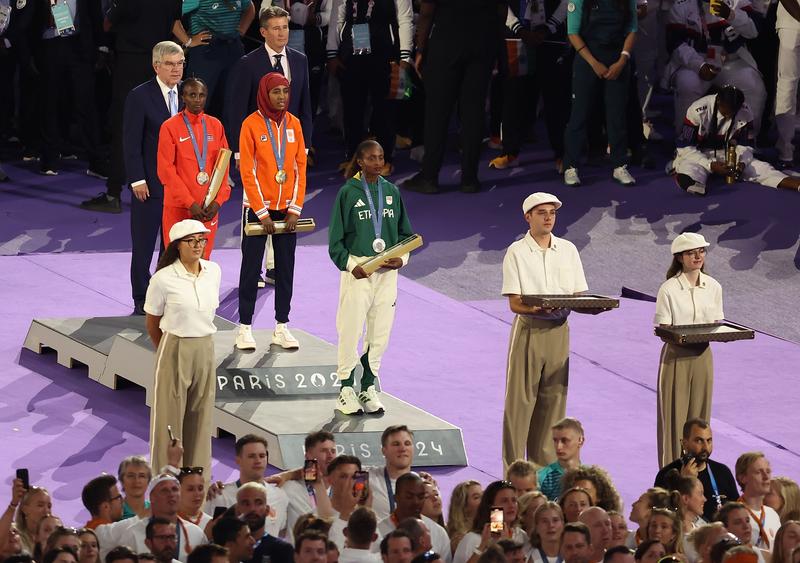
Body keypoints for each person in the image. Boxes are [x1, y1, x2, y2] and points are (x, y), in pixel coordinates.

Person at [502, 191, 604, 469]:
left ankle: (544, 472)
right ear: (528, 217)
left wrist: (593, 307)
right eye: (541, 213)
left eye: (552, 213)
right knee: (520, 405)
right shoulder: (517, 252)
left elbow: (577, 295)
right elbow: (514, 303)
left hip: (560, 331)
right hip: (530, 330)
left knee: (553, 402)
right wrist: (534, 310)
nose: (548, 218)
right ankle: (513, 472)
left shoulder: (568, 250)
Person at [328, 141, 414, 415]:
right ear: (360, 162)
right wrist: (352, 266)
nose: (378, 162)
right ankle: (345, 388)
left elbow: (406, 236)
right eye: (371, 158)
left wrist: (402, 259)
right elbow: (335, 242)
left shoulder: (391, 192)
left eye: (381, 157)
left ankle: (368, 386)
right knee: (350, 329)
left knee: (380, 333)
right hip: (359, 275)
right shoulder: (348, 193)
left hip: (387, 276)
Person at [79, 0, 183, 214]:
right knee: (162, 126)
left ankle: (113, 193)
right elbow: (174, 21)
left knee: (124, 126)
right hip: (158, 64)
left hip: (131, 65)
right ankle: (166, 191)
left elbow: (107, 23)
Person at [401, 0, 505, 194]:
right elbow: (501, 9)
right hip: (483, 44)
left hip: (447, 42)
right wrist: (497, 47)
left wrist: (421, 48)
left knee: (437, 112)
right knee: (474, 111)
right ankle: (470, 179)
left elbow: (427, 11)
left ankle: (429, 177)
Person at [236, 72, 307, 352]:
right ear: (265, 94)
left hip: (286, 211)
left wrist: (294, 209)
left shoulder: (295, 125)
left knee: (285, 270)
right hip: (257, 210)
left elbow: (300, 167)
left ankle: (281, 326)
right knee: (251, 269)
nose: (281, 97)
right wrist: (262, 212)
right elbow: (248, 171)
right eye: (275, 92)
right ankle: (244, 328)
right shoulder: (251, 125)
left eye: (285, 91)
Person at [144, 219, 222, 474]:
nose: (198, 245)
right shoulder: (163, 279)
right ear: (177, 246)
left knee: (201, 419)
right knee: (169, 420)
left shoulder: (214, 271)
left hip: (205, 348)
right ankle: (164, 481)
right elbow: (153, 323)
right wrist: (167, 352)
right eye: (192, 241)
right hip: (175, 346)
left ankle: (197, 484)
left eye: (202, 240)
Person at [125, 41, 186, 316]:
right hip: (149, 184)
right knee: (144, 244)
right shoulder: (140, 96)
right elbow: (131, 141)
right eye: (170, 64)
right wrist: (137, 178)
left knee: (172, 244)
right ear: (156, 66)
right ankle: (141, 298)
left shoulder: (189, 94)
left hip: (179, 187)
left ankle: (168, 295)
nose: (176, 69)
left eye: (180, 63)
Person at [654, 232, 723, 467]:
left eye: (701, 251)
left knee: (701, 418)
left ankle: (700, 473)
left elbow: (717, 325)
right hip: (676, 358)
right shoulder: (669, 289)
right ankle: (672, 474)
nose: (698, 256)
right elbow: (664, 328)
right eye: (692, 253)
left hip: (703, 356)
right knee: (674, 419)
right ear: (680, 257)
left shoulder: (713, 286)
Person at [325, 0, 412, 175]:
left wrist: (405, 55)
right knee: (352, 108)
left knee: (384, 108)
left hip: (385, 52)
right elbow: (337, 16)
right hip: (351, 53)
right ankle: (354, 157)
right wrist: (332, 52)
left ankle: (384, 158)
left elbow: (404, 18)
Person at [561, 0, 638, 187]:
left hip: (618, 60)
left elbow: (632, 29)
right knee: (579, 114)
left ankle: (620, 164)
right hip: (588, 60)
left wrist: (622, 60)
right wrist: (594, 63)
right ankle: (571, 166)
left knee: (617, 114)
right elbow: (573, 32)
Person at [671, 87, 800, 196]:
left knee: (761, 168)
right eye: (726, 111)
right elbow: (685, 147)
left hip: (729, 154)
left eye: (733, 112)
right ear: (718, 102)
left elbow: (746, 145)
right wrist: (710, 164)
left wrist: (742, 163)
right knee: (691, 167)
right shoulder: (697, 110)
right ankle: (690, 180)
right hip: (700, 152)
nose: (729, 116)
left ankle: (796, 185)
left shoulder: (745, 112)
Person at [663, 0, 765, 136]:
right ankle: (684, 143)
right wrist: (698, 65)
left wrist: (731, 15)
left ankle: (746, 141)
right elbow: (675, 44)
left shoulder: (736, 2)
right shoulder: (682, 4)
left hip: (730, 60)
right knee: (688, 84)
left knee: (753, 86)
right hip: (695, 61)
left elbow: (754, 31)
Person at [227, 6, 313, 162]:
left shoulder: (301, 60)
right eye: (276, 28)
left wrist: (305, 146)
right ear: (263, 32)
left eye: (285, 27)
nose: (282, 33)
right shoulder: (248, 63)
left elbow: (305, 106)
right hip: (258, 145)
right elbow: (237, 111)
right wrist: (239, 151)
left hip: (292, 143)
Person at [157, 77, 231, 257]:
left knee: (203, 262)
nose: (197, 99)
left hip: (207, 211)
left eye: (201, 95)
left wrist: (218, 202)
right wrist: (190, 203)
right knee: (176, 264)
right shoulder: (170, 127)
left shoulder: (215, 125)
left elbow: (223, 168)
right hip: (179, 208)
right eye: (192, 95)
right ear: (183, 97)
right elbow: (165, 171)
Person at [177, 0, 255, 115]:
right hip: (206, 50)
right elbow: (172, 15)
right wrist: (188, 41)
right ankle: (192, 132)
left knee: (233, 100)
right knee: (197, 101)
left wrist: (242, 29)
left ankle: (224, 133)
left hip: (233, 49)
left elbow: (249, 8)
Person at [654, 419, 740, 521]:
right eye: (699, 441)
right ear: (684, 443)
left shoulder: (723, 472)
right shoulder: (666, 474)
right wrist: (684, 483)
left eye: (709, 440)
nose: (705, 447)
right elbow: (662, 516)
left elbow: (737, 512)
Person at [205, 435, 289, 537]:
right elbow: (209, 536)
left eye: (262, 456)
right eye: (251, 456)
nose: (258, 461)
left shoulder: (280, 496)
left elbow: (281, 532)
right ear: (238, 460)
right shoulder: (219, 496)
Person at [376, 473, 451, 563]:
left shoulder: (438, 533)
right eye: (409, 497)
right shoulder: (378, 532)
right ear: (395, 498)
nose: (416, 502)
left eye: (420, 497)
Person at [453, 481, 528, 563]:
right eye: (504, 501)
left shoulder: (521, 535)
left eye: (514, 500)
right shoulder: (472, 539)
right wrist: (482, 547)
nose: (511, 505)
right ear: (491, 507)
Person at [735, 453, 781, 551]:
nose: (766, 477)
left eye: (768, 471)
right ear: (743, 478)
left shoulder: (773, 515)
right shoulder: (733, 514)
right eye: (759, 472)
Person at [774, 0, 800, 168]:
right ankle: (785, 151)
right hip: (792, 22)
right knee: (788, 85)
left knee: (787, 85)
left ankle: (786, 150)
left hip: (790, 23)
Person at [539, 418, 585, 501]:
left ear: (580, 441)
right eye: (555, 441)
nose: (558, 447)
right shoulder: (541, 477)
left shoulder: (589, 477)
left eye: (565, 441)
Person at [448, 481, 484, 556]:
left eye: (483, 495)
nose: (483, 500)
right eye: (476, 497)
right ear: (463, 506)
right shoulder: (460, 540)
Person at [15, 486, 52, 554]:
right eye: (40, 505)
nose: (46, 511)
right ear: (24, 509)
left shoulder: (53, 539)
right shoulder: (14, 537)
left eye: (49, 506)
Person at [177, 466, 211, 531]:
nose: (197, 493)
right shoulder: (169, 521)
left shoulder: (210, 523)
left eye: (200, 489)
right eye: (190, 489)